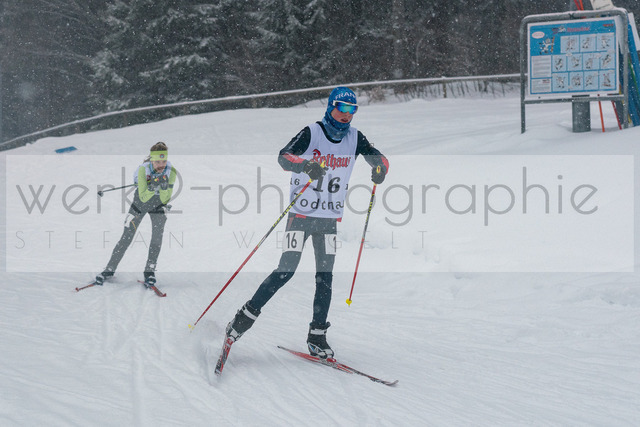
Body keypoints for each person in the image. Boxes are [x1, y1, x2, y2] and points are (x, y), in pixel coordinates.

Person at [222, 87, 389, 359]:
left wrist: (380, 168)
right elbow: (284, 156)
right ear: (331, 107)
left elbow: (378, 157)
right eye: (342, 108)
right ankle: (240, 322)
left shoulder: (355, 138)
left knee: (325, 277)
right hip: (300, 215)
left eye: (352, 110)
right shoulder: (312, 132)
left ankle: (317, 337)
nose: (347, 115)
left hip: (328, 219)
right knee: (285, 271)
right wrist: (304, 165)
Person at [93, 142, 178, 288]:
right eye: (157, 161)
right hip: (139, 204)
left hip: (159, 205)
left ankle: (149, 271)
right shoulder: (143, 170)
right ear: (152, 160)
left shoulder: (171, 172)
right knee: (127, 236)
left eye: (164, 161)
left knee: (157, 238)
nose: (161, 165)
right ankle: (109, 269)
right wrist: (152, 186)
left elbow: (165, 199)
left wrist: (163, 187)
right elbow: (143, 197)